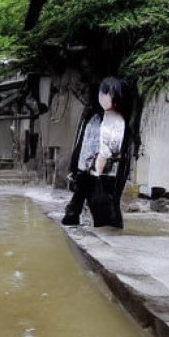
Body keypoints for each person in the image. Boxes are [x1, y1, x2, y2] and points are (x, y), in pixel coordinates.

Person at [62, 76, 130, 229]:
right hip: (87, 167)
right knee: (80, 199)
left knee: (104, 208)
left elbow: (110, 150)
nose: (103, 97)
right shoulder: (93, 116)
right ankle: (72, 216)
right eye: (102, 93)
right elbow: (83, 143)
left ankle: (105, 227)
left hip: (102, 171)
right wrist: (79, 167)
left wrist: (97, 169)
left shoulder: (115, 119)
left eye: (107, 94)